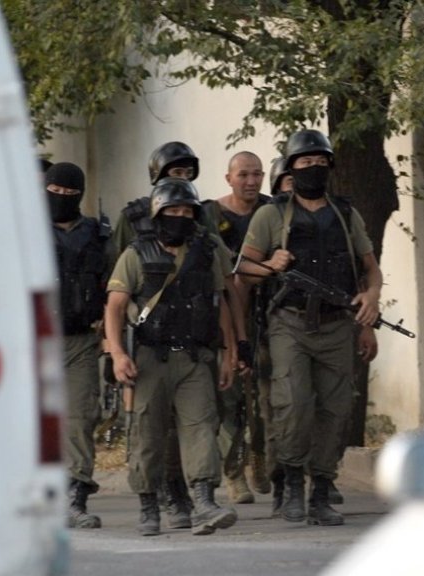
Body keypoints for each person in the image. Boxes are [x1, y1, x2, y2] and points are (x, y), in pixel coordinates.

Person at [236, 129, 383, 526]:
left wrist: (372, 299)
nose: (313, 169)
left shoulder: (345, 213)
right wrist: (271, 265)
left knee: (334, 410)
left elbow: (370, 269)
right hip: (290, 323)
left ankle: (321, 488)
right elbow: (243, 270)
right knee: (294, 404)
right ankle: (292, 481)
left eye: (321, 163)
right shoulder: (272, 214)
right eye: (305, 163)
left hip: (338, 325)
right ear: (291, 168)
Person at [105, 177, 238, 537]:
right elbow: (115, 307)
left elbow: (220, 300)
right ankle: (149, 505)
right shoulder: (135, 254)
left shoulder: (206, 250)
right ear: (157, 214)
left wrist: (230, 351)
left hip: (195, 357)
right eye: (172, 210)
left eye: (186, 211)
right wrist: (117, 354)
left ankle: (204, 500)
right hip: (150, 358)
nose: (180, 216)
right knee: (147, 434)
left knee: (201, 427)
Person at [202, 151, 273, 503]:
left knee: (267, 401)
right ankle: (233, 474)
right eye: (243, 174)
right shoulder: (209, 215)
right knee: (230, 403)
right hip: (225, 321)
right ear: (228, 178)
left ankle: (260, 457)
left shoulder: (273, 212)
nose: (251, 181)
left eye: (257, 174)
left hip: (269, 318)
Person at [45, 162, 111, 529]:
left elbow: (116, 286)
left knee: (81, 418)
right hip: (34, 340)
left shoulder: (98, 235)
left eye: (71, 195)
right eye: (56, 194)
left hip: (82, 340)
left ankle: (75, 497)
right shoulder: (24, 231)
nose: (62, 200)